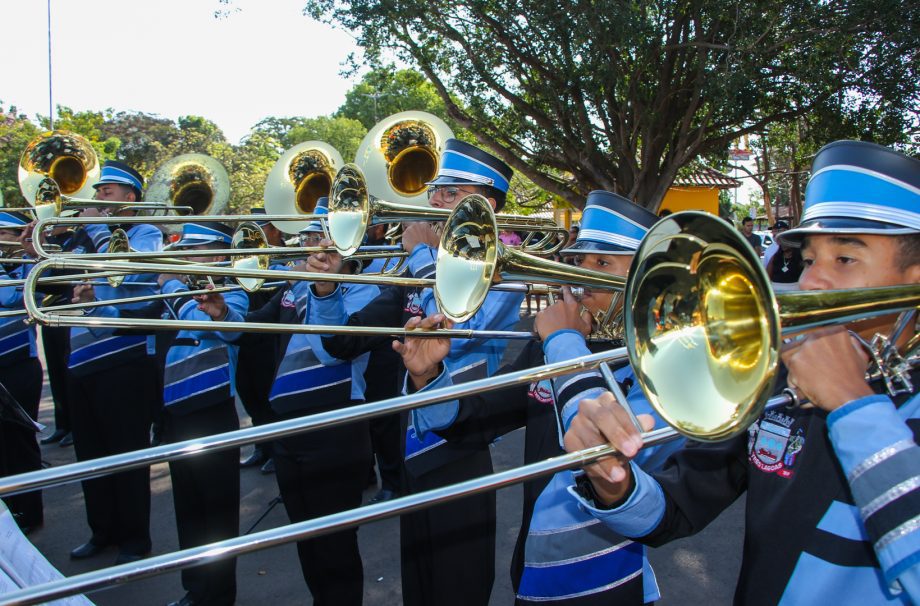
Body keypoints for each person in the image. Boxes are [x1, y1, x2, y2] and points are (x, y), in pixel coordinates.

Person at [563, 140, 920, 604]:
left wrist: (852, 402)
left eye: (845, 259)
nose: (810, 282)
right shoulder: (781, 379)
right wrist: (614, 483)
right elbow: (677, 507)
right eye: (809, 260)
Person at [397, 190, 682, 604]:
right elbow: (475, 420)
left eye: (602, 263)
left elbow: (612, 459)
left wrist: (564, 340)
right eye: (580, 261)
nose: (581, 277)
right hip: (535, 568)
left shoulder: (659, 366)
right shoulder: (551, 348)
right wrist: (428, 377)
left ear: (645, 280)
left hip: (607, 583)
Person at [315, 138, 523, 606]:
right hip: (412, 440)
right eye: (435, 192)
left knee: (456, 588)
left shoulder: (504, 269)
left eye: (449, 193)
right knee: (420, 586)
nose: (433, 202)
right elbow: (343, 341)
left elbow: (459, 328)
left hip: (461, 441)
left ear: (486, 205)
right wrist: (326, 291)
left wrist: (424, 257)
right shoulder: (418, 268)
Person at [196, 204, 377, 605]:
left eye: (319, 238)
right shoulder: (293, 286)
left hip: (335, 428)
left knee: (335, 543)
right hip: (288, 426)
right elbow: (253, 330)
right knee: (305, 538)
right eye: (308, 238)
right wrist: (223, 314)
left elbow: (333, 350)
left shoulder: (367, 289)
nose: (310, 247)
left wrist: (323, 288)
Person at [65, 160, 162, 565]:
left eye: (107, 191)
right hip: (81, 357)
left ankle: (135, 539)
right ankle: (101, 531)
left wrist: (98, 229)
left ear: (130, 196)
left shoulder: (146, 233)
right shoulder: (82, 236)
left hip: (124, 357)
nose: (98, 196)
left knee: (126, 452)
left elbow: (133, 279)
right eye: (98, 191)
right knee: (90, 454)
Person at [155, 222, 248, 606]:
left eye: (196, 250)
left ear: (219, 254)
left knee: (217, 512)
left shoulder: (234, 290)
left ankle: (219, 595)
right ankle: (195, 588)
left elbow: (236, 330)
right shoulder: (175, 291)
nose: (186, 257)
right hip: (175, 409)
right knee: (189, 508)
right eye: (185, 250)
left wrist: (170, 286)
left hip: (211, 409)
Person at [0, 211, 43, 534]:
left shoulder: (29, 267)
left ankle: (28, 512)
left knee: (19, 443)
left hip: (18, 364)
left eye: (3, 234)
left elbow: (12, 297)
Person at [236, 207, 284, 474]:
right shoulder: (246, 256)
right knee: (249, 392)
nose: (252, 235)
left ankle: (278, 450)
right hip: (247, 335)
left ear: (274, 230)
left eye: (260, 229)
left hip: (270, 339)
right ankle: (262, 446)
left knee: (269, 396)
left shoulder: (288, 258)